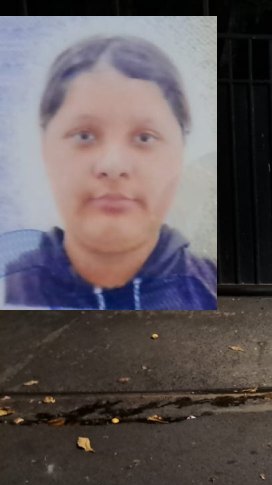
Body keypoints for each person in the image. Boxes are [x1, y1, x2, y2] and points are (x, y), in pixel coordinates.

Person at [0, 35, 216, 310]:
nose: (113, 166)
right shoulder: (13, 286)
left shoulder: (204, 287)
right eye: (85, 135)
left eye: (145, 138)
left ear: (180, 152)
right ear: (45, 148)